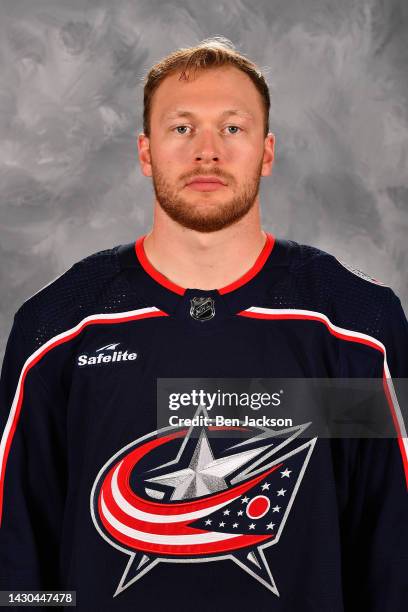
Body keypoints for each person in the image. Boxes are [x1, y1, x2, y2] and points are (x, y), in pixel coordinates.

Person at [0, 37, 407, 611]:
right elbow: (20, 559)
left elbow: (391, 552)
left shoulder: (357, 327)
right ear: (146, 152)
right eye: (182, 128)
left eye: (233, 128)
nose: (207, 152)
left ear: (267, 152)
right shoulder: (60, 328)